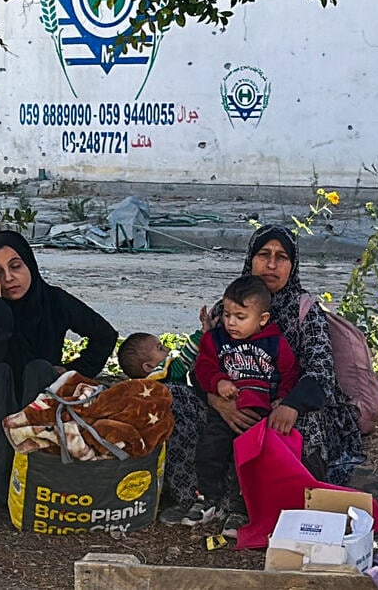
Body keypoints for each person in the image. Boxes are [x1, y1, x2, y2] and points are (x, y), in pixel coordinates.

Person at [160, 225, 365, 525]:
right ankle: (197, 498)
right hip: (227, 403)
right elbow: (203, 364)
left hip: (279, 406)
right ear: (250, 260)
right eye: (263, 255)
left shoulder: (304, 310)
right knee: (172, 398)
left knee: (302, 422)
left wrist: (289, 405)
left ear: (292, 266)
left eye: (281, 257)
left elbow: (320, 371)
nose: (271, 264)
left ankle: (255, 507)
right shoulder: (227, 307)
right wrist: (217, 399)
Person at [0, 231, 119, 511]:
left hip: (39, 393)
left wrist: (72, 372)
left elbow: (105, 335)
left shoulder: (54, 299)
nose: (9, 278)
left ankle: (35, 471)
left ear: (30, 265)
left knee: (39, 369)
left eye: (15, 266)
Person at [185, 275, 301, 536]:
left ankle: (240, 510)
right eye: (226, 314)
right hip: (225, 409)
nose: (231, 322)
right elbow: (202, 367)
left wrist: (284, 398)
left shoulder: (275, 344)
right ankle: (208, 500)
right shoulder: (215, 340)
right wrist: (218, 381)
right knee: (210, 449)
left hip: (258, 415)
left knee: (248, 462)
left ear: (262, 319)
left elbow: (291, 373)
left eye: (240, 316)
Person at [118, 306, 209, 383]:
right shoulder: (163, 374)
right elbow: (185, 358)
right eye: (160, 348)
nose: (167, 348)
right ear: (149, 366)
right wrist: (202, 332)